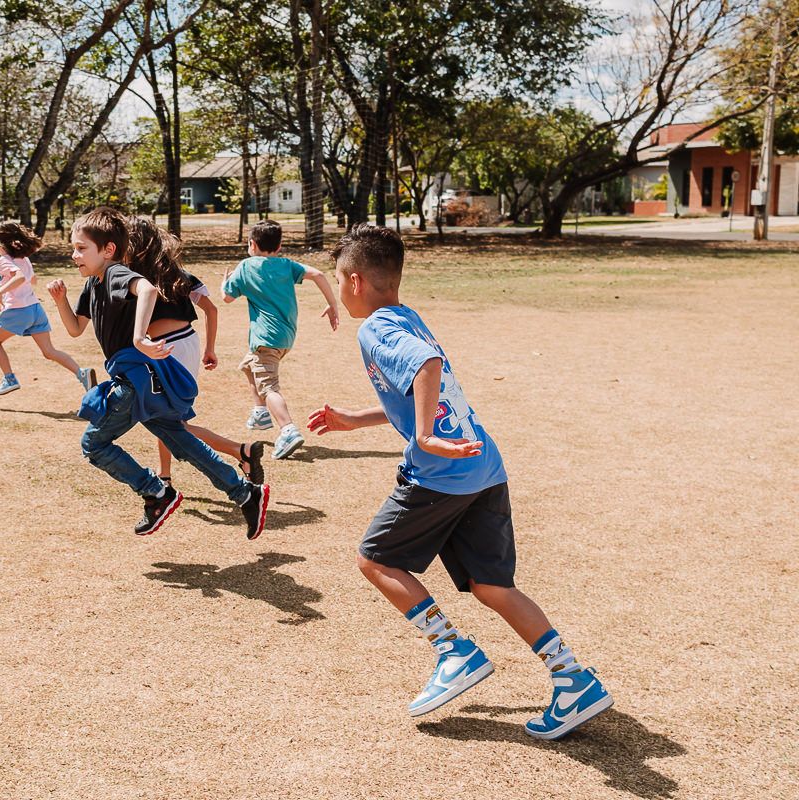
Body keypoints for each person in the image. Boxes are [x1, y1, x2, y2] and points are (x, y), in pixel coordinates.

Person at [307, 224, 612, 740]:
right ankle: (573, 677)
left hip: (442, 472)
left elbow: (427, 368)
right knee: (492, 585)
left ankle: (455, 651)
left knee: (375, 559)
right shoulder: (407, 317)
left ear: (355, 281)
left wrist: (424, 437)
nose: (338, 288)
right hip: (482, 465)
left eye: (338, 279)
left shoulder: (376, 329)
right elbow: (423, 389)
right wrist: (353, 420)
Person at [45, 207, 269, 539]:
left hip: (135, 378)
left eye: (81, 248)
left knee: (94, 443)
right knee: (179, 437)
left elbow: (148, 290)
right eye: (73, 247)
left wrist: (139, 338)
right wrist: (61, 301)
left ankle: (156, 492)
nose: (73, 254)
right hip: (135, 377)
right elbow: (76, 329)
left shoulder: (116, 273)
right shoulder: (92, 284)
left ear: (107, 250)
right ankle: (244, 493)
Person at [124, 217, 265, 486]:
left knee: (171, 423)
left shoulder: (138, 281)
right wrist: (209, 348)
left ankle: (241, 451)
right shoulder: (179, 274)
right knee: (165, 416)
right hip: (187, 341)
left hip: (165, 349)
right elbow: (211, 310)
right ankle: (165, 476)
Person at [221, 219, 339, 460]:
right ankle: (260, 412)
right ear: (279, 246)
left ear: (251, 244)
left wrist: (225, 281)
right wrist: (332, 304)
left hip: (266, 339)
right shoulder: (286, 265)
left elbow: (226, 298)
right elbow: (317, 274)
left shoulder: (245, 267)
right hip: (285, 337)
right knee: (247, 366)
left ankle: (287, 429)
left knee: (269, 387)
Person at [0, 220, 96, 396]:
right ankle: (81, 373)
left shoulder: (3, 261)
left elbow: (21, 277)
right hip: (35, 309)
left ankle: (9, 379)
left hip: (18, 310)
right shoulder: (24, 259)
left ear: (0, 244)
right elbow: (33, 279)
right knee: (49, 351)